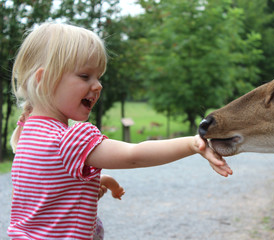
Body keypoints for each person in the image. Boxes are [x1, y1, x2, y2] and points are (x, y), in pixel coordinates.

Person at [7, 22, 233, 240]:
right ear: (44, 79)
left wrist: (97, 181)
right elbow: (133, 156)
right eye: (85, 76)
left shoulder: (28, 134)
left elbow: (47, 191)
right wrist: (191, 144)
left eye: (98, 77)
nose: (98, 86)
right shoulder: (67, 140)